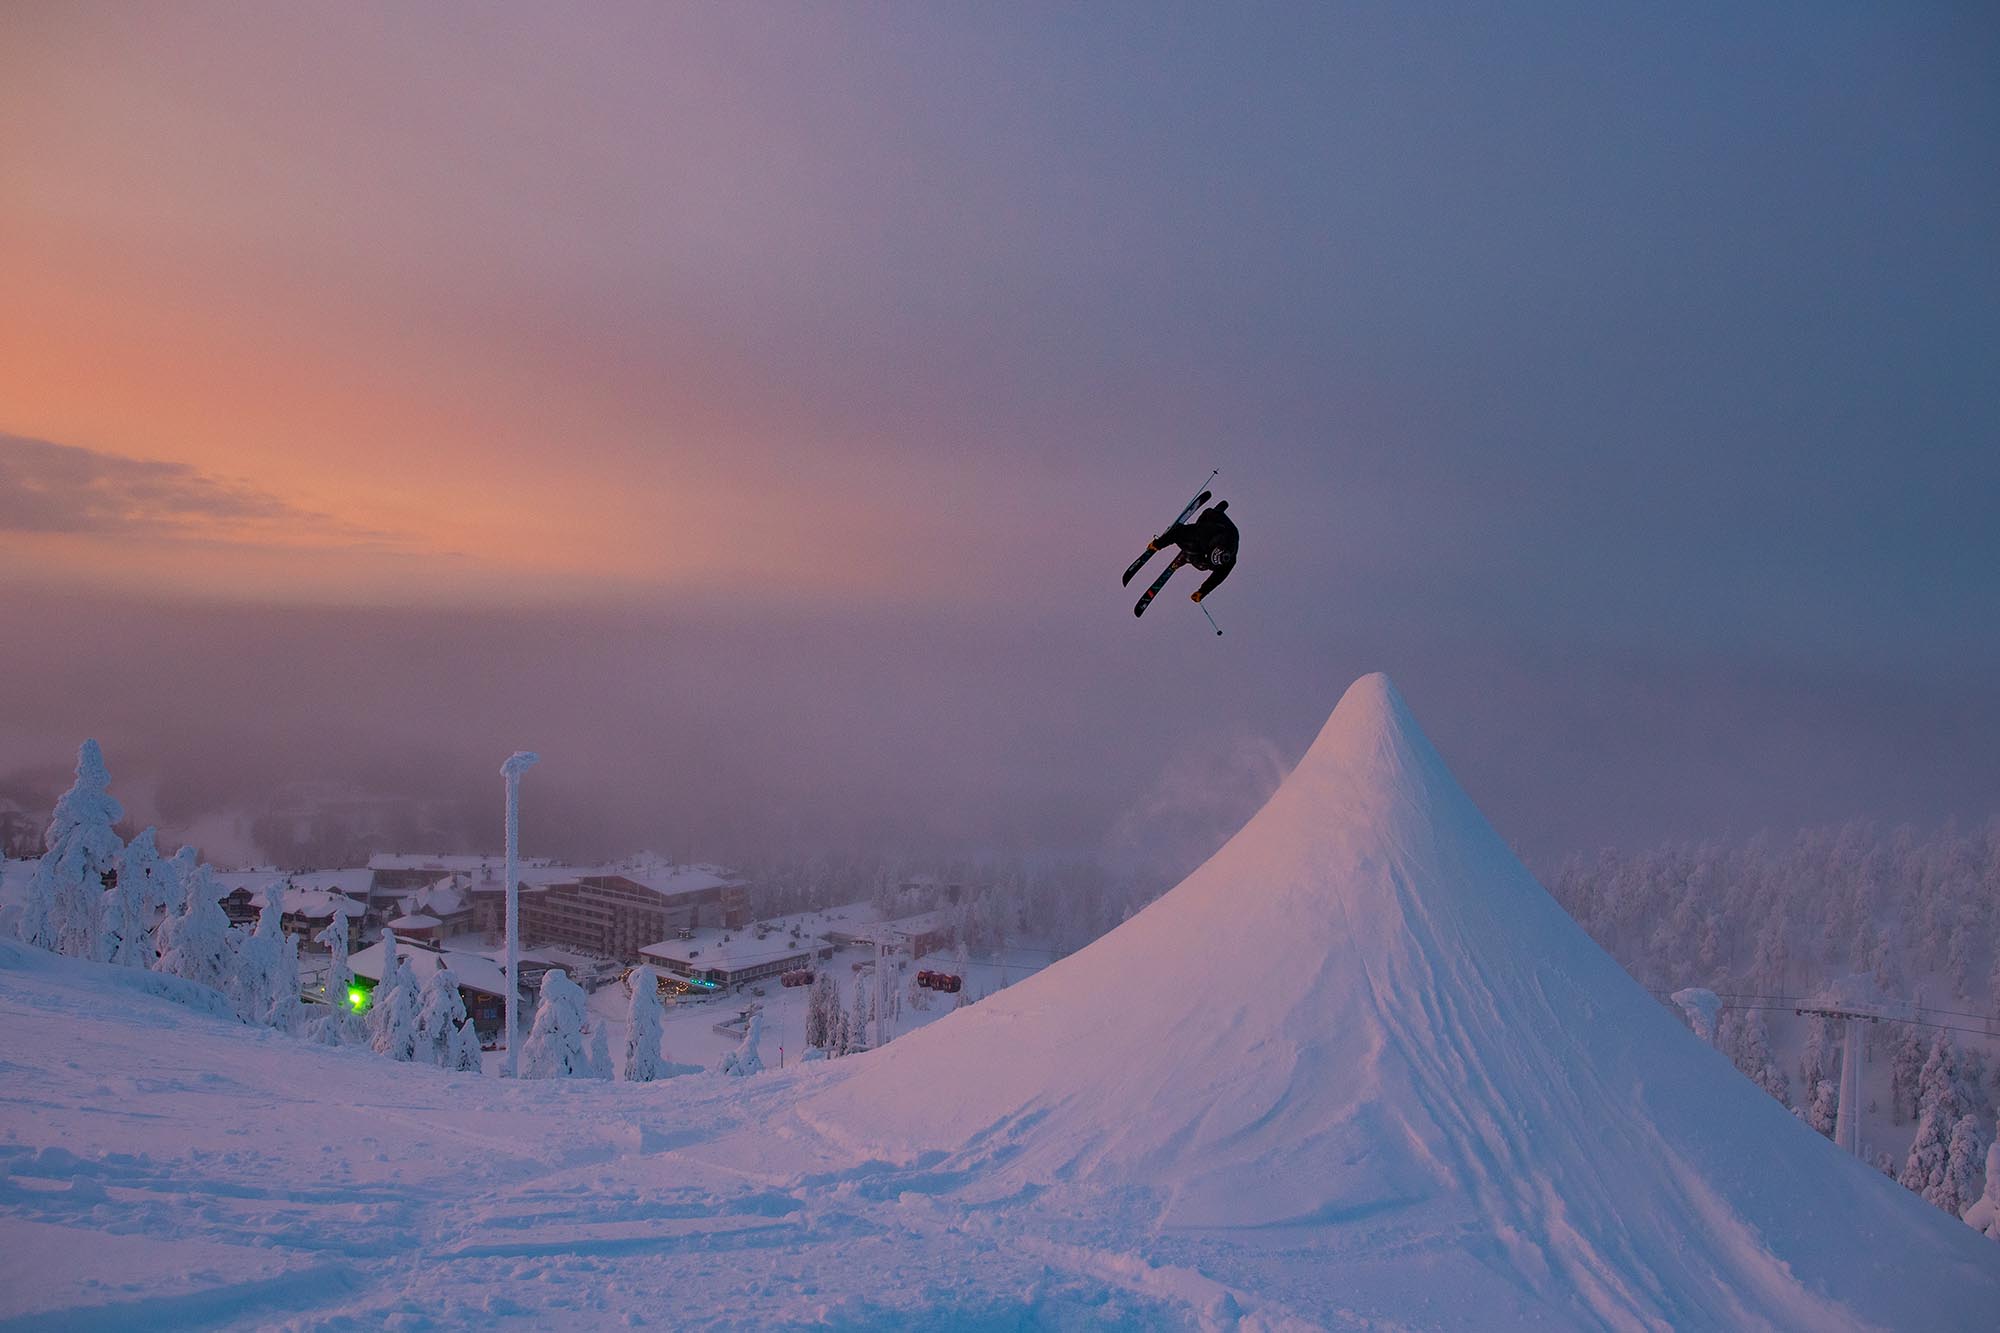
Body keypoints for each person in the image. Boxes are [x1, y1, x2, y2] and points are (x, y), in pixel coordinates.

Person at [1149, 499, 1238, 602]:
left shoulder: (1229, 561)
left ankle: (1189, 556)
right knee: (1188, 540)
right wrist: (1158, 544)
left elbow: (1217, 578)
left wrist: (1202, 592)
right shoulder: (1206, 532)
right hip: (1208, 518)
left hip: (1224, 531)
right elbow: (1178, 533)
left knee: (1203, 566)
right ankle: (1189, 553)